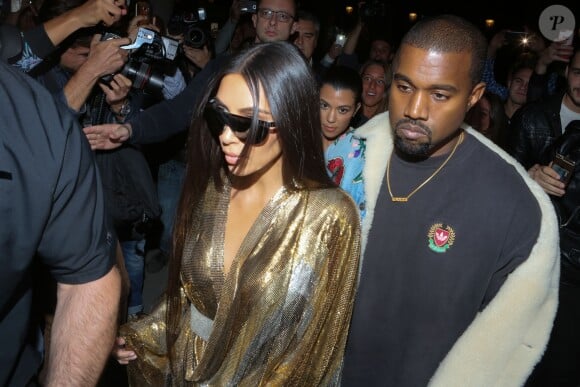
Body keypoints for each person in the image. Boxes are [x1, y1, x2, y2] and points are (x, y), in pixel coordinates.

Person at [111, 41, 361, 385]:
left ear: (292, 121)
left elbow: (315, 351)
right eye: (219, 117)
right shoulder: (215, 189)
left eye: (248, 124)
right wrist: (148, 333)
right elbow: (189, 294)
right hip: (188, 372)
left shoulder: (331, 216)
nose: (226, 136)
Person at [340, 15, 559, 386]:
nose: (415, 109)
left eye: (440, 94)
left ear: (474, 96)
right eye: (404, 86)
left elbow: (504, 347)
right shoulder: (353, 156)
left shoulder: (514, 205)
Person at [0, 60, 120, 385]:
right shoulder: (37, 77)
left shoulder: (32, 112)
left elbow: (87, 281)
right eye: (83, 48)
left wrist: (124, 114)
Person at [83, 0, 298, 150]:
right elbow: (179, 110)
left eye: (282, 16)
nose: (272, 22)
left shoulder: (301, 79)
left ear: (293, 26)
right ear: (254, 19)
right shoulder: (224, 66)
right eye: (266, 13)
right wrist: (130, 129)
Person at [510, 47, 580, 387]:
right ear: (567, 71)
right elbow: (501, 182)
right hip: (534, 256)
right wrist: (529, 176)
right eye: (579, 72)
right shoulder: (532, 117)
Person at [319, 65, 366, 219]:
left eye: (342, 110)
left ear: (356, 109)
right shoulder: (300, 138)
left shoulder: (362, 152)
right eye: (324, 105)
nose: (331, 118)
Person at [350, 59, 389, 128]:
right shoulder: (346, 114)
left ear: (386, 88)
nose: (372, 86)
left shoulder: (389, 124)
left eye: (380, 81)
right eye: (368, 79)